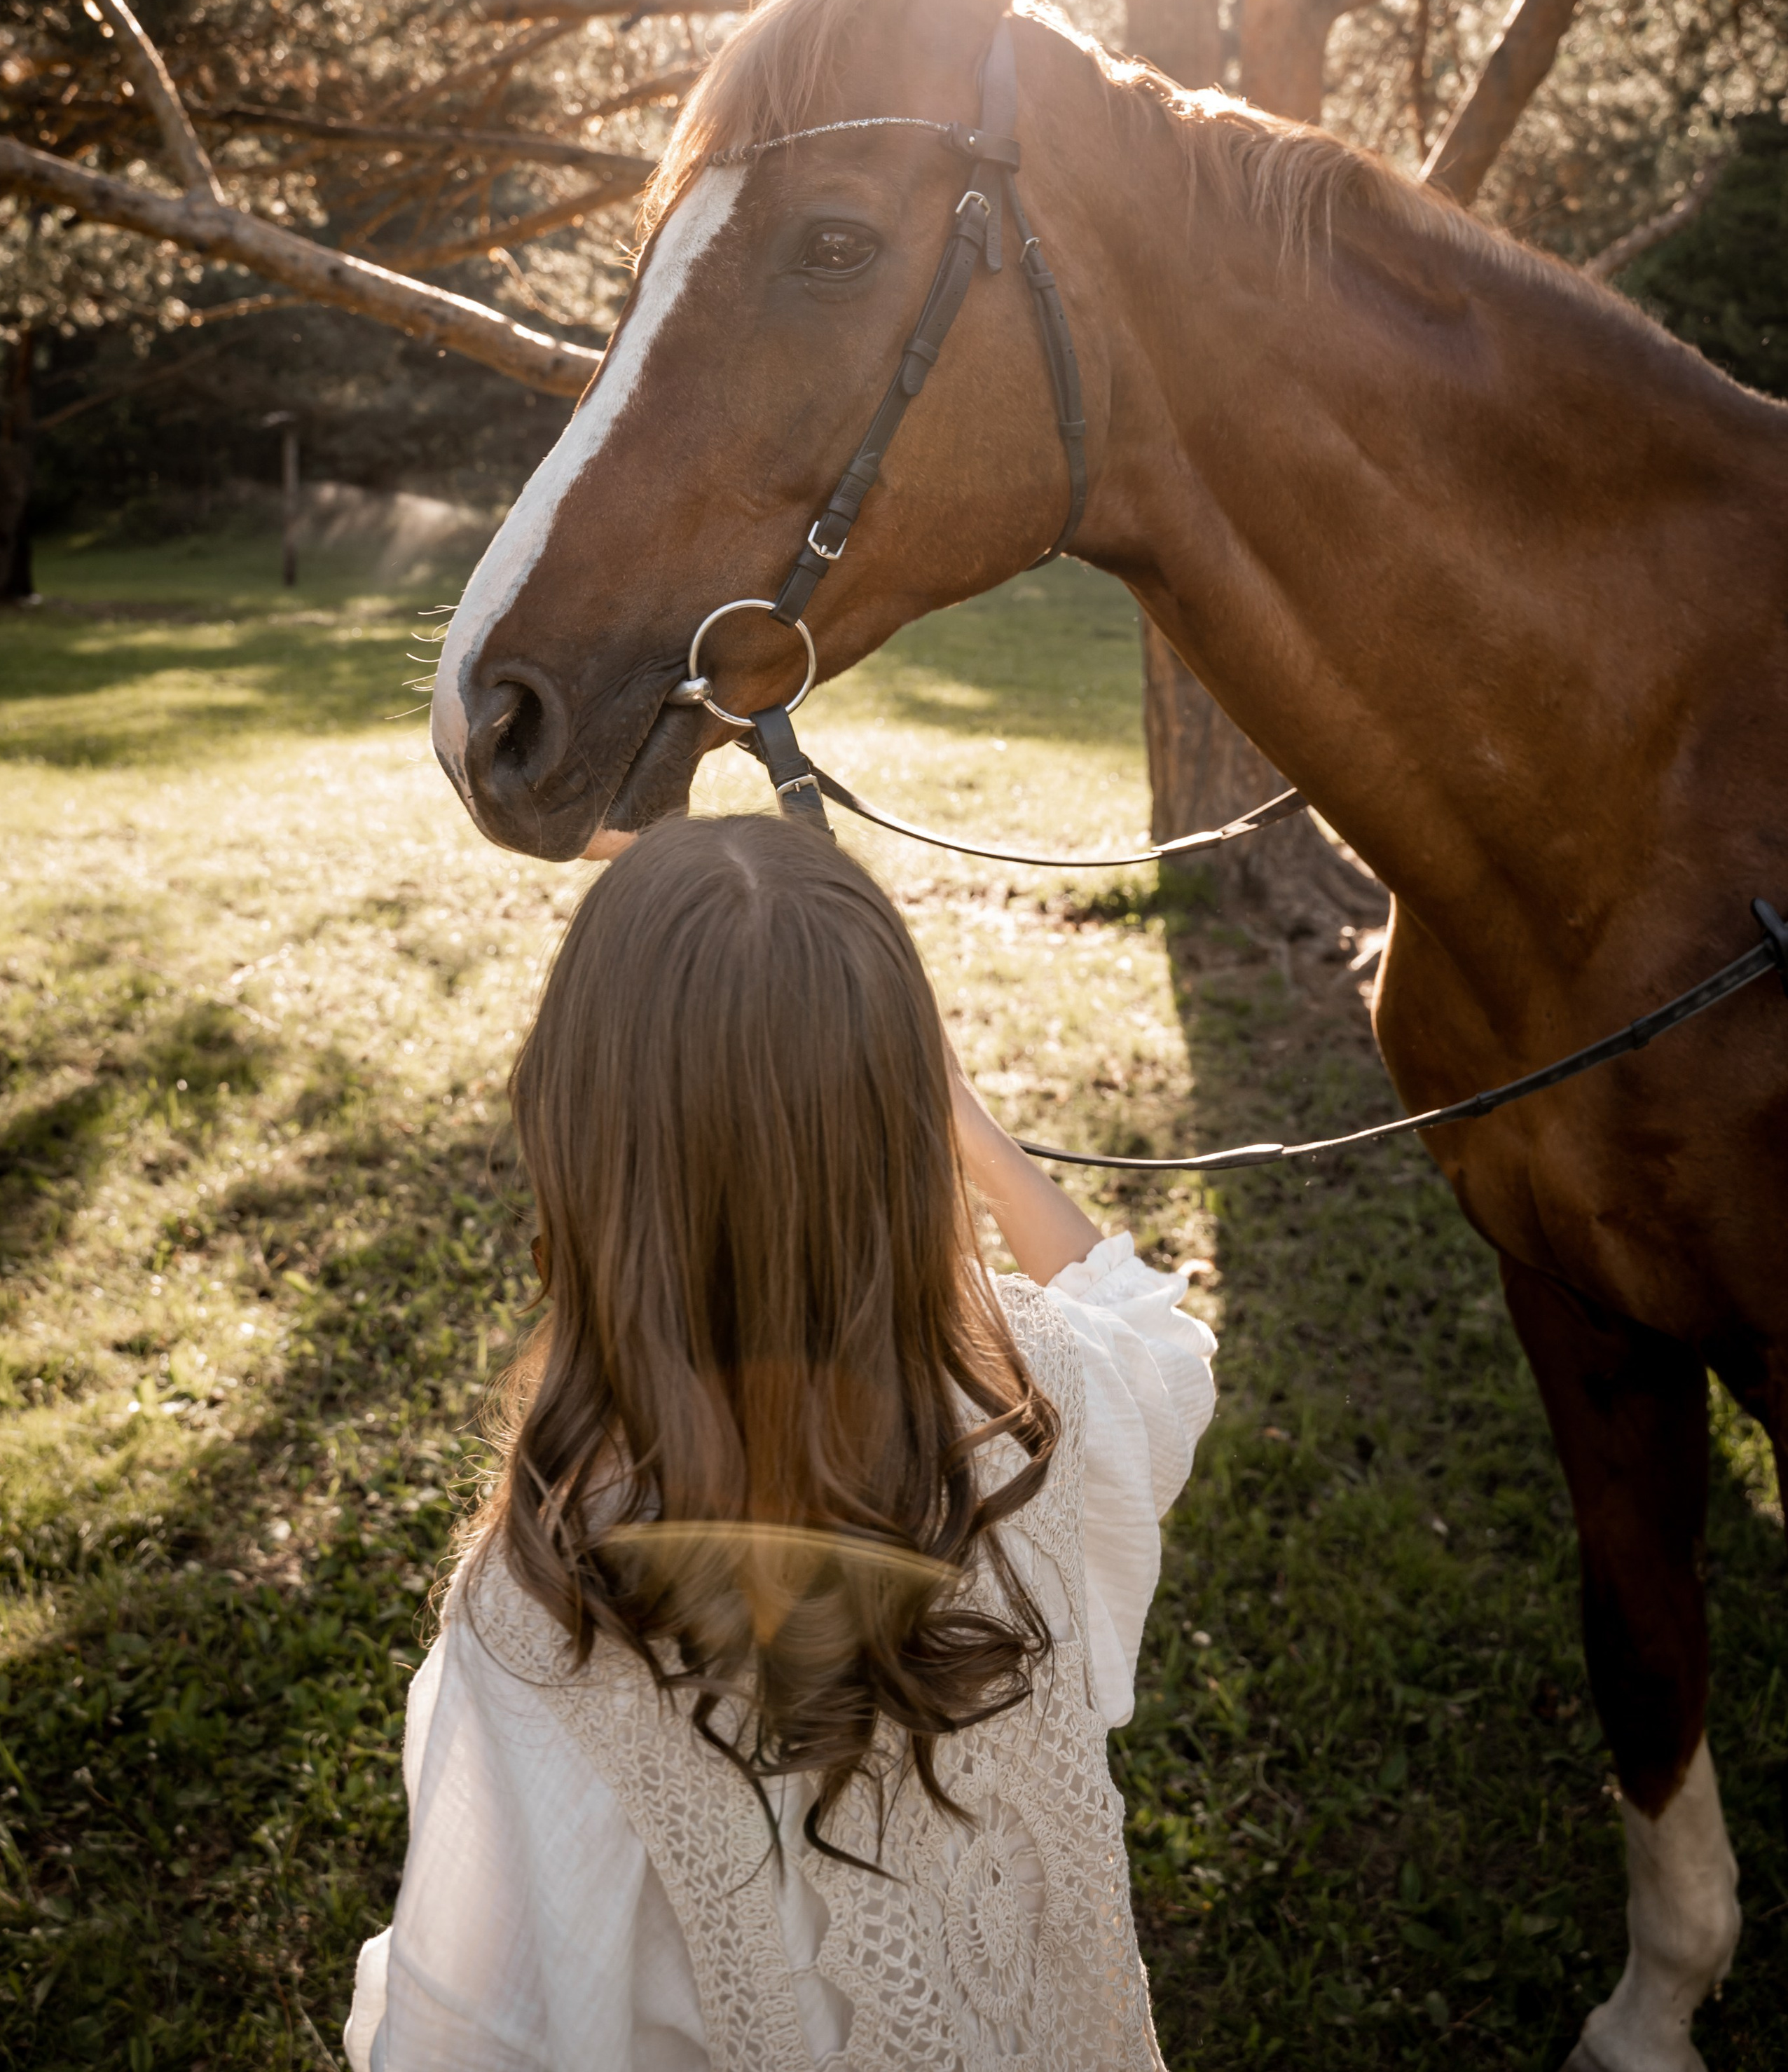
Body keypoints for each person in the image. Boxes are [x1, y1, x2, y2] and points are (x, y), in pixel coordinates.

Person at [344, 814, 1216, 2071]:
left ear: (582, 1134)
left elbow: (470, 2036)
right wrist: (960, 1110)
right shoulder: (1032, 1414)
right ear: (903, 1119)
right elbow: (1159, 1338)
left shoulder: (552, 1622)